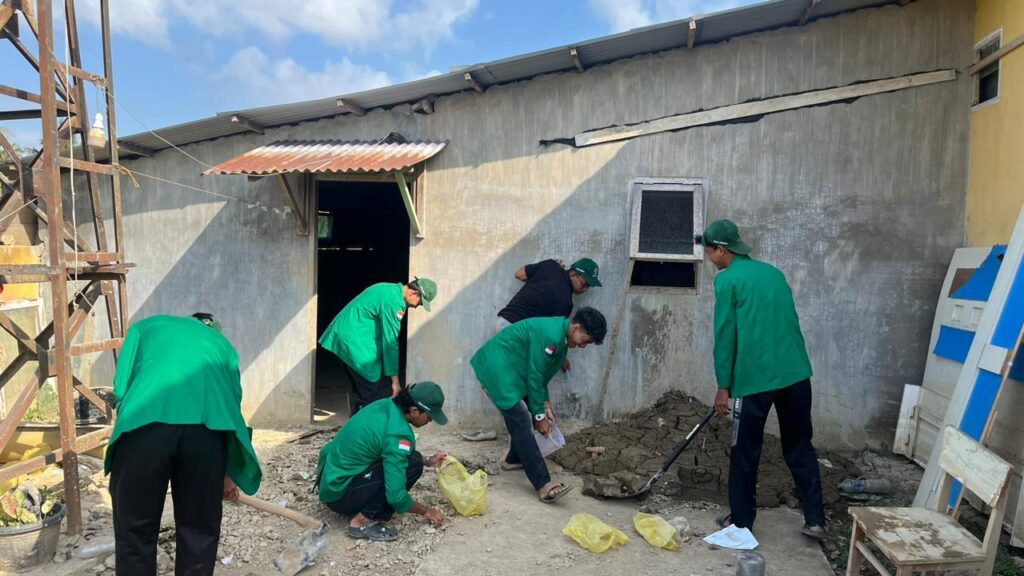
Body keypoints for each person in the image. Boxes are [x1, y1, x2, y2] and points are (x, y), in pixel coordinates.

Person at [696, 219, 826, 540]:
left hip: (755, 379)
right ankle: (815, 520)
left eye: (709, 251)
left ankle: (741, 523)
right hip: (796, 374)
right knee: (799, 445)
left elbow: (725, 336)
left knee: (745, 450)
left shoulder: (728, 281)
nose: (708, 258)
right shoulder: (773, 273)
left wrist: (723, 387)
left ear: (721, 250)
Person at [105, 313, 262, 576]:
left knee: (135, 532)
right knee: (198, 531)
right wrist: (226, 472)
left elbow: (121, 387)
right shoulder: (222, 346)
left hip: (144, 423)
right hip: (205, 432)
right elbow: (231, 406)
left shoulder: (146, 327)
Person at [471, 307, 607, 503]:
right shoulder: (551, 336)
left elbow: (541, 376)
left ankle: (513, 459)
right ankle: (543, 484)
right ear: (577, 327)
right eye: (586, 341)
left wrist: (545, 405)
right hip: (497, 369)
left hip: (509, 371)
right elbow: (535, 376)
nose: (584, 346)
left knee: (521, 417)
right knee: (522, 418)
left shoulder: (560, 338)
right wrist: (539, 416)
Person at [316, 382, 449, 541]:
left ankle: (361, 509)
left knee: (412, 458)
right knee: (413, 465)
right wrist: (426, 511)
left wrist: (427, 461)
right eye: (429, 417)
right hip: (340, 495)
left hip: (330, 481)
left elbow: (389, 451)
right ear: (414, 411)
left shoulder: (386, 405)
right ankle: (361, 522)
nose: (430, 421)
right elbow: (395, 496)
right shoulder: (398, 434)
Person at [320, 277, 437, 412]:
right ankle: (372, 421)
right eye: (420, 303)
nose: (416, 307)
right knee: (372, 394)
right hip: (355, 343)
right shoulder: (395, 302)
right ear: (414, 293)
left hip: (342, 337)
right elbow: (390, 342)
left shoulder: (387, 288)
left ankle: (358, 418)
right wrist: (395, 382)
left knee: (361, 389)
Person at [496, 258, 602, 334]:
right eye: (584, 284)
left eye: (588, 286)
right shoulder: (566, 303)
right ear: (573, 274)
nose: (585, 289)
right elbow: (550, 335)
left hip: (503, 321)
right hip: (517, 333)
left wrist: (538, 279)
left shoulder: (550, 265)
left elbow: (519, 274)